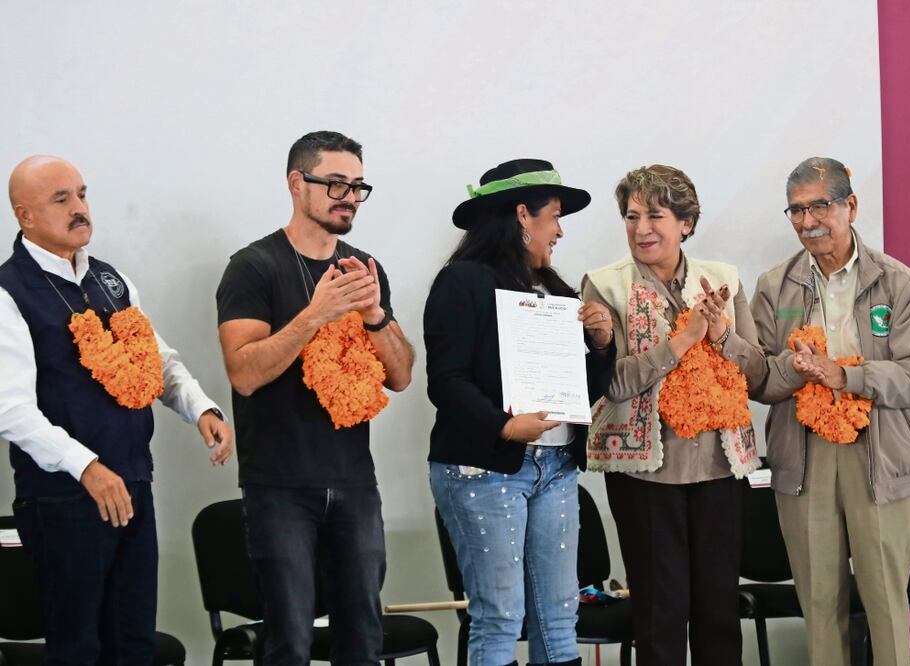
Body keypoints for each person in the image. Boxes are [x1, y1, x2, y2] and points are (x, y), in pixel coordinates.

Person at [0, 155, 233, 662]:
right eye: (61, 199)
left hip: (132, 483)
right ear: (26, 216)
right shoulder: (8, 291)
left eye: (82, 194)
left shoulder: (111, 280)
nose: (79, 207)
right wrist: (86, 466)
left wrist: (202, 409)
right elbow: (10, 410)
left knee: (133, 643)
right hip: (63, 498)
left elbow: (159, 360)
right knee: (78, 647)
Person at [216, 131, 413, 665]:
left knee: (363, 640)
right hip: (279, 485)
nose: (349, 196)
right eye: (336, 184)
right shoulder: (253, 266)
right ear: (296, 184)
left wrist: (375, 316)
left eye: (357, 186)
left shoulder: (363, 269)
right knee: (290, 644)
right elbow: (244, 373)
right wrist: (314, 315)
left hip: (354, 481)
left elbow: (401, 375)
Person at [751, 157, 910, 666]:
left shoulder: (899, 283)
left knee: (886, 602)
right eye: (796, 210)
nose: (807, 220)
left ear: (850, 206)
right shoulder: (775, 286)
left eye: (820, 205)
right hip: (805, 456)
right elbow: (763, 382)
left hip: (880, 454)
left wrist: (847, 377)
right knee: (819, 605)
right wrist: (786, 365)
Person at [424, 158, 613, 666]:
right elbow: (446, 381)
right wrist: (505, 425)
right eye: (554, 216)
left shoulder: (557, 292)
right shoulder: (460, 282)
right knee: (500, 615)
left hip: (554, 467)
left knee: (558, 613)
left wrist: (600, 343)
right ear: (523, 215)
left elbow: (586, 389)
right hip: (483, 468)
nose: (560, 231)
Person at [583, 164, 764, 666]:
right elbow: (610, 384)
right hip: (643, 476)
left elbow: (756, 371)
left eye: (655, 215)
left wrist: (721, 336)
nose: (641, 228)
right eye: (631, 215)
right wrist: (682, 341)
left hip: (720, 470)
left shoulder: (724, 279)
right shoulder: (604, 286)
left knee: (719, 611)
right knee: (660, 614)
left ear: (686, 222)